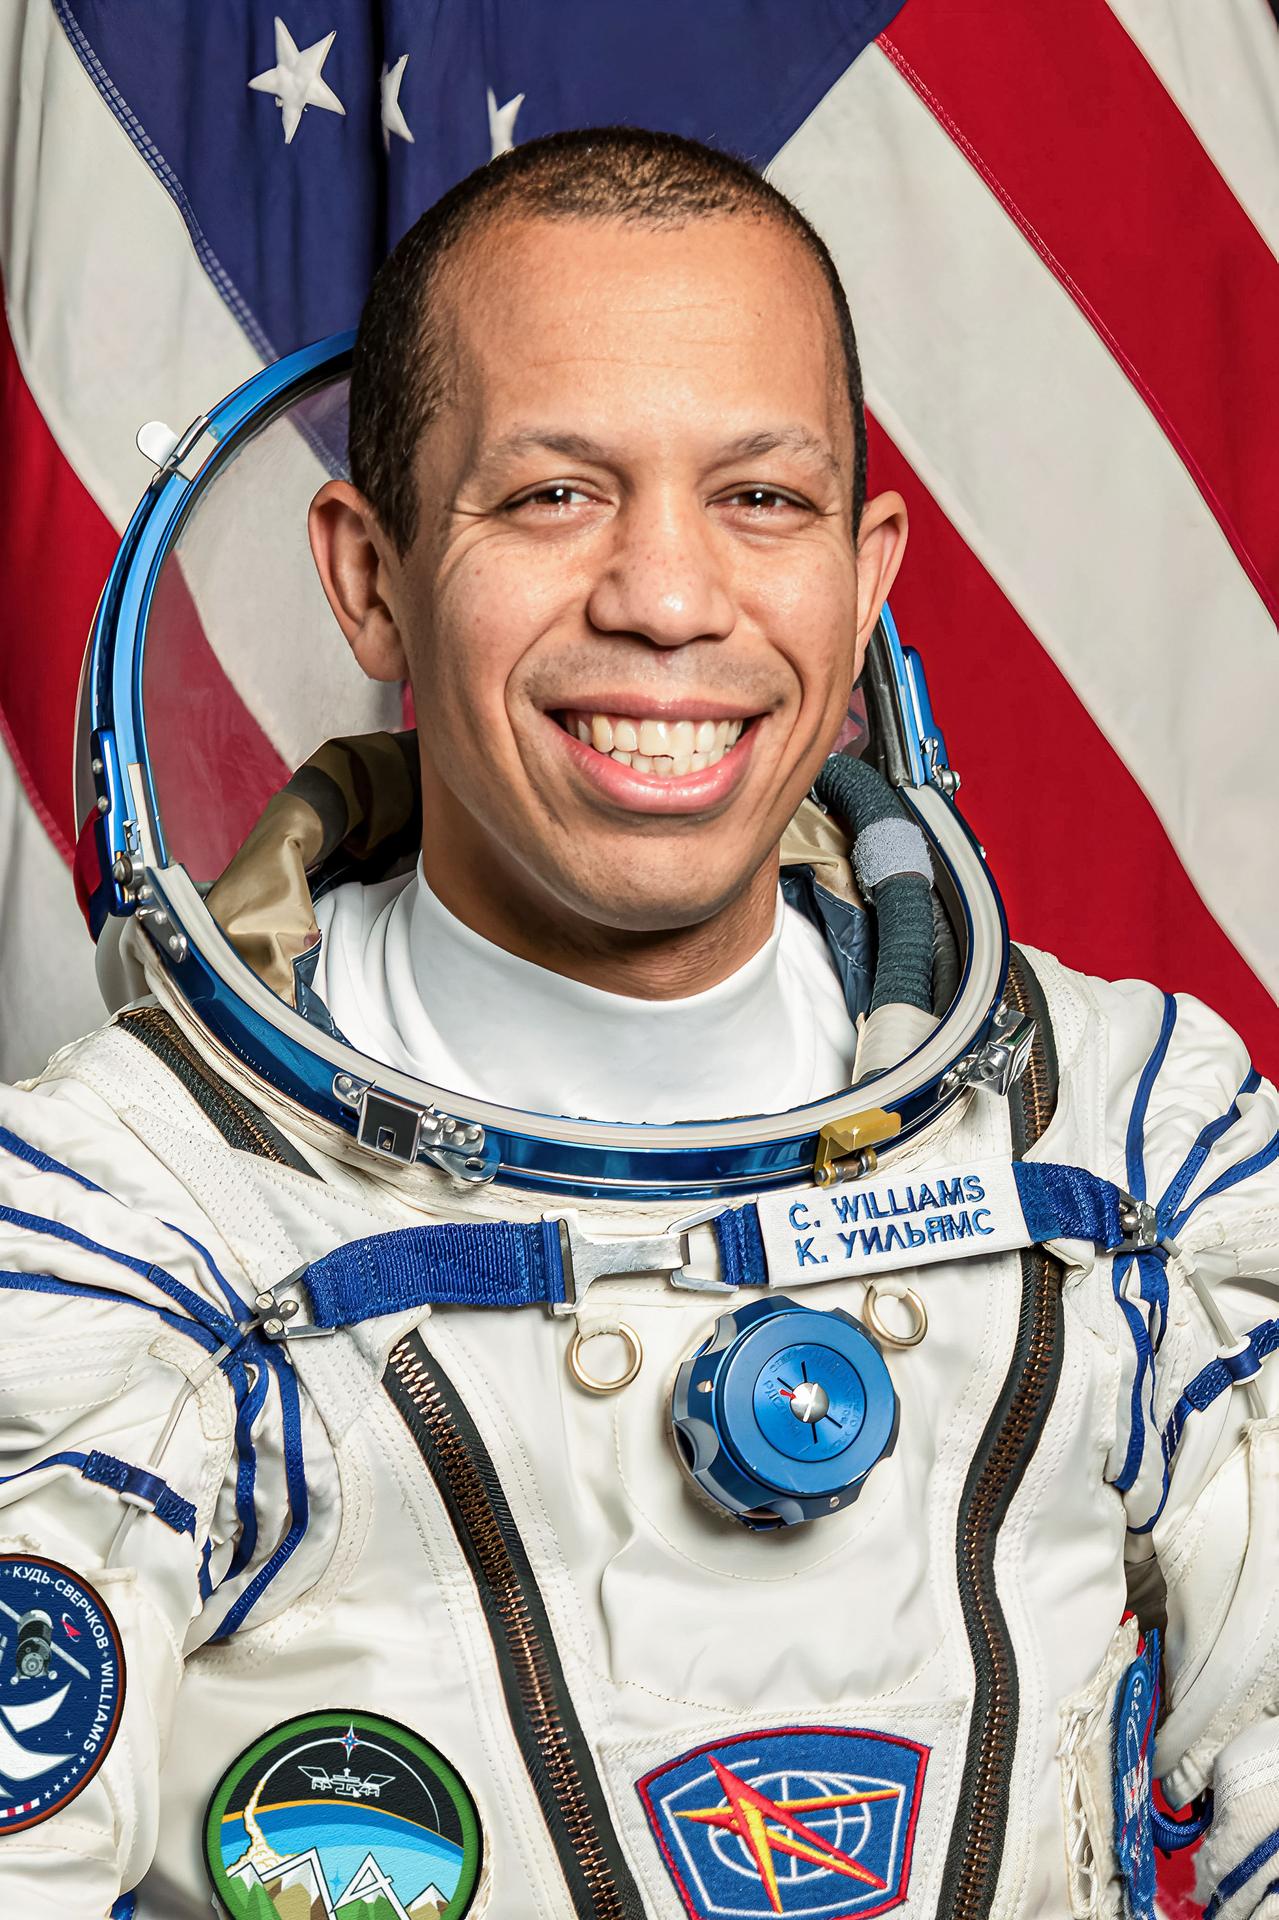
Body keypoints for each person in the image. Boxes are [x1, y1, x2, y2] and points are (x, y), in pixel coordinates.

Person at [0, 126, 1276, 1920]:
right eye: (552, 496)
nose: (669, 600)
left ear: (866, 575)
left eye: (760, 498)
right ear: (368, 577)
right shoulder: (127, 1232)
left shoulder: (1126, 1154)